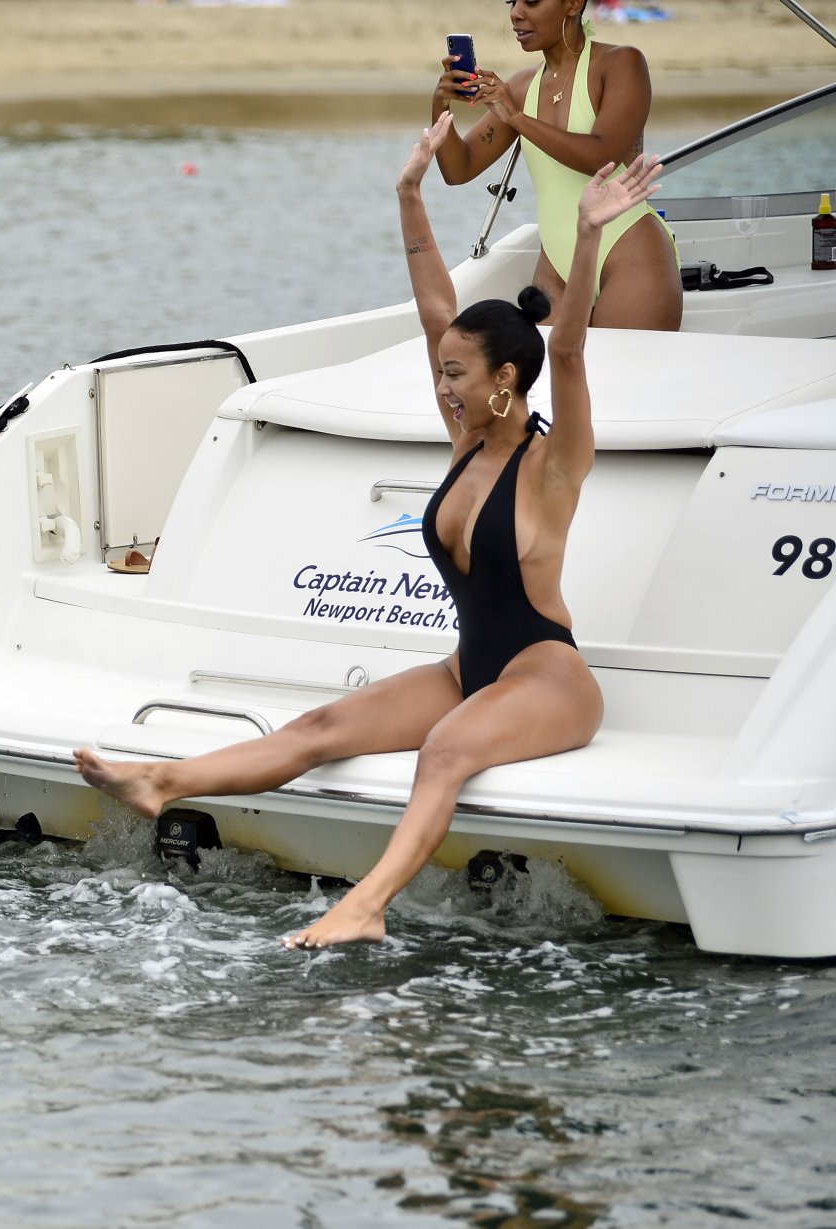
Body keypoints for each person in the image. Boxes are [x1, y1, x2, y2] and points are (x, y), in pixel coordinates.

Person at [76, 115, 664, 949]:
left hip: (549, 678)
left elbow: (566, 352)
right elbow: (435, 309)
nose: (443, 386)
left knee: (445, 751)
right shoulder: (465, 442)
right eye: (442, 373)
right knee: (321, 728)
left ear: (505, 377)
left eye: (457, 374)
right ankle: (161, 782)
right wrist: (409, 193)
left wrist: (590, 231)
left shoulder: (556, 463)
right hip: (469, 668)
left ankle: (367, 905)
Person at [431, 0, 679, 330]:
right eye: (512, 2)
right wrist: (440, 104)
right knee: (549, 366)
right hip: (556, 265)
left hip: (629, 255)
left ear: (573, 4)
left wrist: (517, 118)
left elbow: (600, 158)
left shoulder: (621, 63)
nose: (515, 13)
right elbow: (458, 170)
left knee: (622, 365)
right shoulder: (520, 88)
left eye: (531, 1)